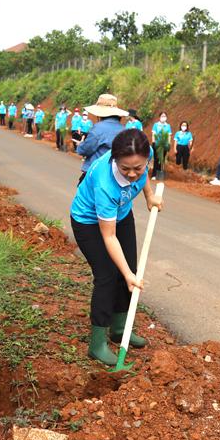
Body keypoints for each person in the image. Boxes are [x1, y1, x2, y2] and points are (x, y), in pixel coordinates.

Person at [70, 128, 162, 365]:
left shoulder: (144, 153)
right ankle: (97, 342)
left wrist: (149, 196)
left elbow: (145, 175)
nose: (132, 174)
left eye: (137, 168)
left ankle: (120, 328)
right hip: (89, 221)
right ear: (114, 159)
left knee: (129, 268)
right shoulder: (105, 184)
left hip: (121, 214)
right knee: (108, 275)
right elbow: (109, 237)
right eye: (125, 169)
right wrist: (126, 274)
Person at [76, 94, 126, 183]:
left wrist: (80, 146)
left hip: (95, 173)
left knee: (83, 196)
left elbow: (86, 149)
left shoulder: (98, 128)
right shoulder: (124, 130)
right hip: (115, 176)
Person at [151, 111, 172, 179]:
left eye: (165, 116)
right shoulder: (156, 125)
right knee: (156, 159)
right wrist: (153, 142)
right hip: (157, 144)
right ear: (159, 117)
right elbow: (154, 134)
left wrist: (169, 144)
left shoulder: (168, 126)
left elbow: (169, 135)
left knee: (162, 159)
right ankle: (154, 174)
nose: (163, 117)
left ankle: (160, 173)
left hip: (164, 145)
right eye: (162, 116)